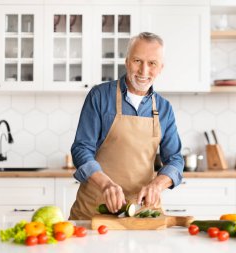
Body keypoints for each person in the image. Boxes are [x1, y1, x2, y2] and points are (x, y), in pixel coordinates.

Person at [69, 32, 184, 220]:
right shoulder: (99, 96)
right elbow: (82, 149)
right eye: (137, 61)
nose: (144, 71)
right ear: (127, 61)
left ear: (161, 67)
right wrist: (106, 184)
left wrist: (157, 185)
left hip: (142, 213)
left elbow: (175, 160)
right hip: (95, 210)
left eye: (152, 63)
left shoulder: (164, 108)